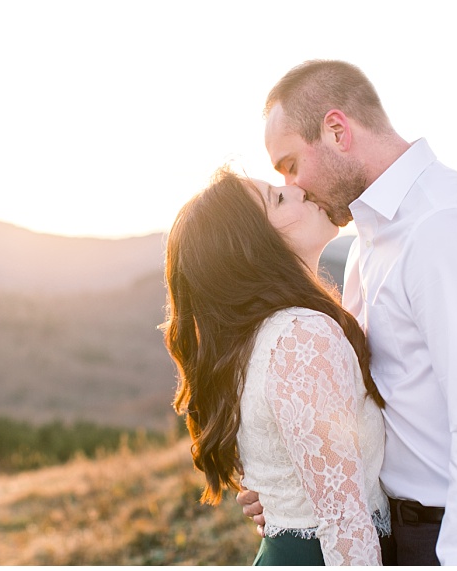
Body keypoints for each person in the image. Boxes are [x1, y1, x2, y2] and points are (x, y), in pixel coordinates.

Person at [236, 59, 457, 566]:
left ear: (337, 131)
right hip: (402, 533)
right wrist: (290, 486)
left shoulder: (445, 227)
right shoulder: (373, 237)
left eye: (291, 165)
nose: (295, 187)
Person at [162, 167, 391, 565]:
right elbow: (343, 520)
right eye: (278, 198)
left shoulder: (261, 337)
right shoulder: (301, 336)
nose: (297, 188)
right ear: (254, 249)